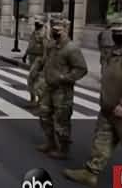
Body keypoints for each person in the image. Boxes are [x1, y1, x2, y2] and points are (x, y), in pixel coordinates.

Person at [63, 17, 122, 186]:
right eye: (114, 33)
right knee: (101, 141)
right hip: (108, 108)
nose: (116, 36)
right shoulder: (114, 50)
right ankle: (91, 172)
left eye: (120, 33)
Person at [35, 18, 87, 160]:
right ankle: (50, 142)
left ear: (66, 30)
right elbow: (46, 61)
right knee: (44, 114)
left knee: (61, 120)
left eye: (58, 30)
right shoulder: (51, 46)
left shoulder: (71, 48)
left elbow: (81, 69)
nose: (55, 32)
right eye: (53, 29)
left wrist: (65, 78)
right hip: (48, 87)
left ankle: (63, 148)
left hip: (62, 91)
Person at [22, 15, 48, 108]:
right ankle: (33, 99)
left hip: (39, 58)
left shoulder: (44, 33)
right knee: (33, 79)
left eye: (38, 22)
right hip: (32, 57)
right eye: (35, 22)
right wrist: (25, 54)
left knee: (33, 79)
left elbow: (45, 48)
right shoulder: (35, 32)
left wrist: (43, 61)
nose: (36, 24)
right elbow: (31, 44)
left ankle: (39, 101)